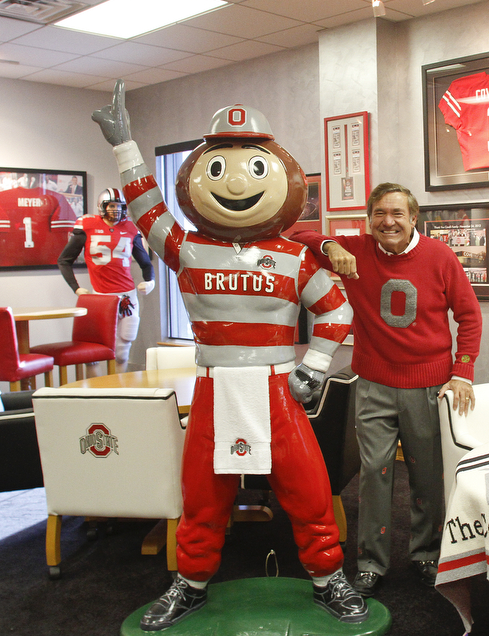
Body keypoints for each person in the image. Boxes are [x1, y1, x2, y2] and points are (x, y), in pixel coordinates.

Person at [92, 82, 366, 631]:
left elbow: (337, 312)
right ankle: (190, 583)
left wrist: (312, 370)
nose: (237, 182)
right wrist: (125, 146)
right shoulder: (188, 247)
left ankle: (328, 577)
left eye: (253, 166)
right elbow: (146, 210)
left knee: (308, 488)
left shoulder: (293, 256)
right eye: (219, 167)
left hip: (278, 387)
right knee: (202, 491)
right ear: (197, 174)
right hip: (215, 386)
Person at [293, 182, 482, 597]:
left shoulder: (440, 256)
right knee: (373, 476)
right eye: (379, 213)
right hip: (374, 384)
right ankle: (370, 564)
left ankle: (427, 555)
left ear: (414, 218)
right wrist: (328, 244)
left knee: (427, 478)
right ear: (369, 219)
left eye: (397, 213)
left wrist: (462, 371)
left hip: (429, 385)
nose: (388, 221)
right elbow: (294, 235)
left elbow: (469, 316)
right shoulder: (356, 249)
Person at [57, 187, 155, 372]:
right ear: (102, 206)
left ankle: (119, 391)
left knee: (122, 351)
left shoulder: (130, 228)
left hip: (127, 296)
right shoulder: (87, 225)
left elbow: (146, 263)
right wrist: (76, 288)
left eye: (119, 205)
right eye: (111, 205)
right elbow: (64, 260)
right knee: (92, 354)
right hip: (100, 297)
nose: (115, 210)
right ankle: (97, 393)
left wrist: (150, 281)